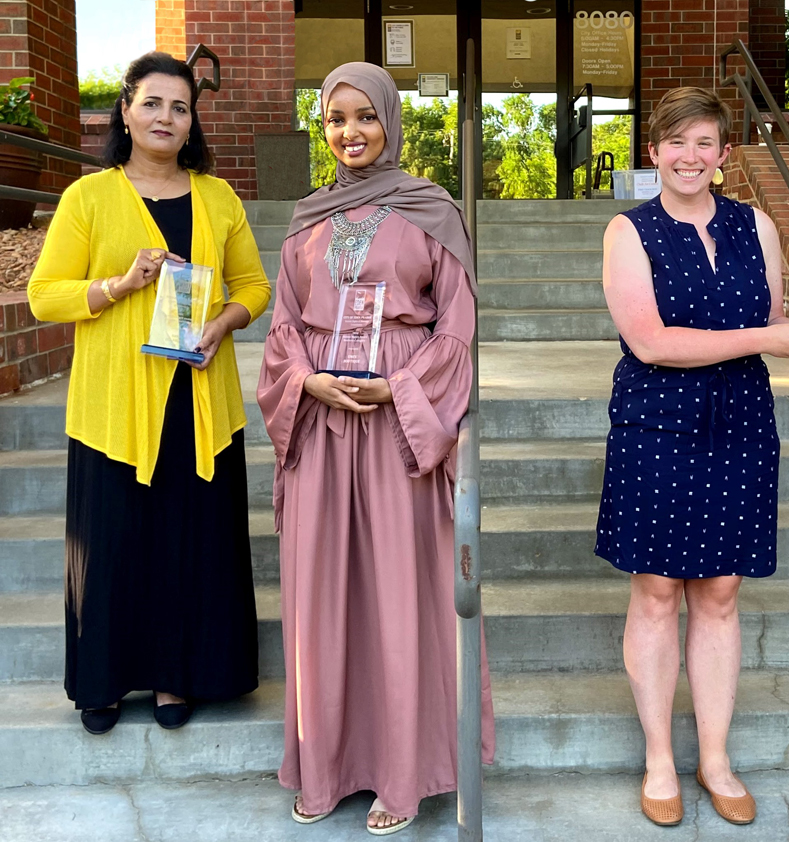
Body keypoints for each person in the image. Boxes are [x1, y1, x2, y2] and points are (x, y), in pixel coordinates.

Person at [595, 86, 789, 826]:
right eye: (677, 143)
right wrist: (766, 340)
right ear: (654, 152)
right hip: (656, 423)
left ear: (723, 154)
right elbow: (649, 342)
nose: (691, 157)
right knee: (656, 591)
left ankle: (714, 759)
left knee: (719, 593)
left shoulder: (758, 226)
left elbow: (771, 320)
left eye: (706, 143)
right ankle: (658, 759)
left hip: (740, 420)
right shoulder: (629, 231)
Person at [257, 62, 495, 835]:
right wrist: (307, 383)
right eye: (336, 119)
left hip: (400, 421)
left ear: (390, 120)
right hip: (325, 421)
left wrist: (403, 391)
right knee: (323, 593)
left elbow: (456, 326)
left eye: (365, 117)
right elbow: (284, 329)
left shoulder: (433, 211)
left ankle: (402, 774)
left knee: (400, 594)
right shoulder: (306, 218)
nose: (351, 133)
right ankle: (324, 767)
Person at [26, 52, 270, 734]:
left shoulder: (217, 197)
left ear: (193, 123)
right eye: (153, 103)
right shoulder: (89, 197)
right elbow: (45, 296)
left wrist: (223, 323)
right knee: (112, 544)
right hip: (113, 408)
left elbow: (254, 286)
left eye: (181, 107)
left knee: (185, 544)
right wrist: (117, 286)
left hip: (198, 403)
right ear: (125, 111)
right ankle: (102, 682)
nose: (166, 117)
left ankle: (177, 678)